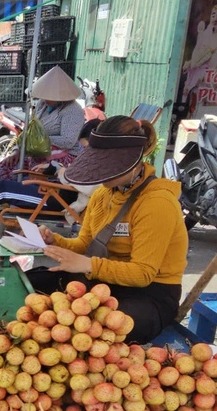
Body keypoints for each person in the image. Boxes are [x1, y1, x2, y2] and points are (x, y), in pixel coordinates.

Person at [27, 116, 188, 344]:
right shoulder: (104, 194)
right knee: (31, 284)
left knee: (97, 329)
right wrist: (55, 241)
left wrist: (87, 265)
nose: (101, 175)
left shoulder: (157, 203)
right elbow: (85, 244)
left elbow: (142, 274)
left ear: (133, 162)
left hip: (149, 294)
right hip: (106, 283)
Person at [0, 66, 85, 180]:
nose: (45, 99)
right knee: (4, 168)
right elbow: (30, 131)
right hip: (36, 153)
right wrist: (17, 150)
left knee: (30, 177)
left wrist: (40, 139)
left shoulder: (73, 110)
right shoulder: (42, 104)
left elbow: (68, 141)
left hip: (61, 160)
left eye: (49, 96)